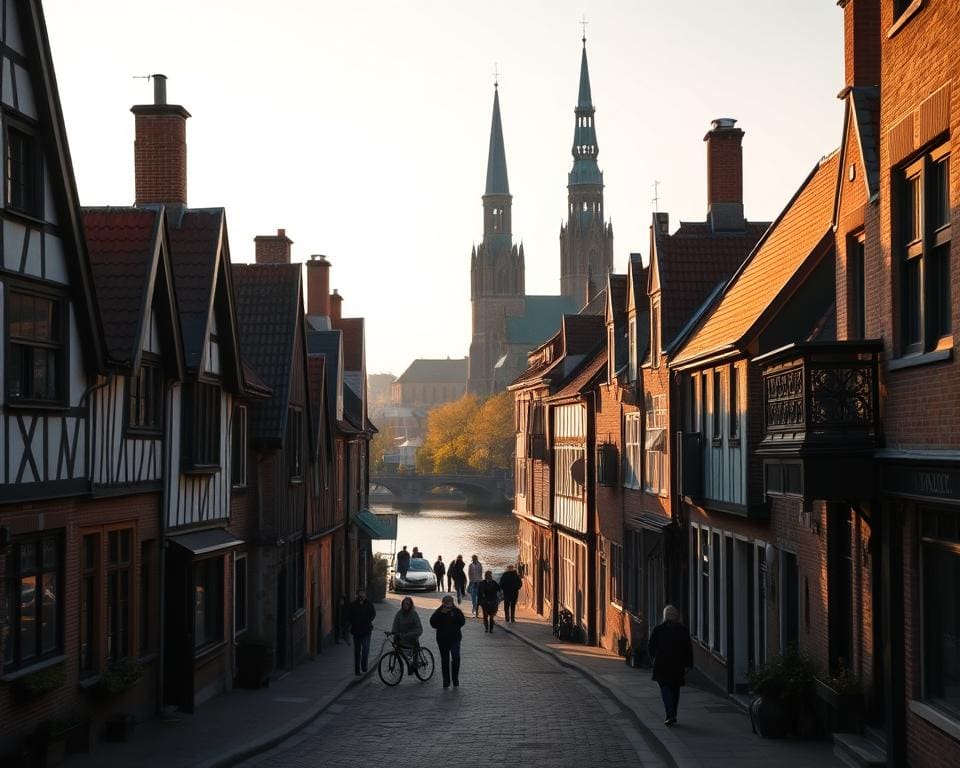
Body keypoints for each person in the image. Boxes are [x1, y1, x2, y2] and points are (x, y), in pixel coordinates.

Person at [647, 604, 694, 726]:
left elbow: (651, 646)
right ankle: (673, 713)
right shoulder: (683, 630)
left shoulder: (658, 629)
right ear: (676, 616)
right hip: (677, 665)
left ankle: (670, 713)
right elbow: (688, 648)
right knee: (675, 690)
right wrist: (688, 664)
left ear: (664, 616)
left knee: (665, 688)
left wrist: (653, 659)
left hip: (662, 664)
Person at [430, 594, 466, 688]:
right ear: (443, 603)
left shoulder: (457, 611)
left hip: (455, 639)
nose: (448, 604)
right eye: (446, 602)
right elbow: (432, 623)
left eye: (450, 602)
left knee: (456, 658)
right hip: (442, 640)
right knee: (445, 660)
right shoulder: (439, 611)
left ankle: (455, 679)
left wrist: (455, 627)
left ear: (452, 603)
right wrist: (442, 613)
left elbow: (462, 621)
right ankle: (446, 681)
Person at [390, 596, 423, 672]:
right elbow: (395, 624)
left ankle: (414, 663)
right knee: (398, 648)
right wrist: (394, 632)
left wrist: (408, 635)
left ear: (410, 605)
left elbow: (419, 629)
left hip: (411, 638)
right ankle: (408, 664)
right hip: (401, 637)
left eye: (408, 604)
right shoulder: (399, 614)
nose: (406, 606)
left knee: (413, 652)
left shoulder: (414, 614)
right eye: (404, 604)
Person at [347, 588, 376, 674]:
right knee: (357, 651)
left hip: (366, 630)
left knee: (365, 649)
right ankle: (357, 669)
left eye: (363, 594)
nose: (362, 596)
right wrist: (351, 625)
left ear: (365, 595)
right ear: (357, 595)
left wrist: (367, 620)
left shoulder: (369, 604)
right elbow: (350, 616)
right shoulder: (353, 605)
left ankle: (364, 665)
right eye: (360, 594)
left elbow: (373, 614)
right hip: (356, 631)